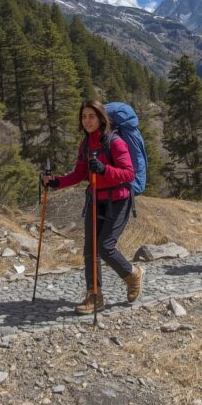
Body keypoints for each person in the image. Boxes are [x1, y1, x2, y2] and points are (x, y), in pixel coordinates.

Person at [44, 100, 143, 313]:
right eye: (84, 116)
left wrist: (104, 169)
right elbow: (80, 173)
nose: (87, 121)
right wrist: (56, 182)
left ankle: (132, 274)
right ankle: (94, 296)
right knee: (90, 249)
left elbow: (128, 174)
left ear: (101, 119)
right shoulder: (86, 145)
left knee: (105, 247)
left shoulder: (115, 142)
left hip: (118, 200)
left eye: (91, 116)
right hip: (95, 199)